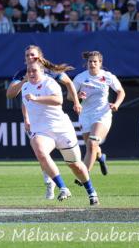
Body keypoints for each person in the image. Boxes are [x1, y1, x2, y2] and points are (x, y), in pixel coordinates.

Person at [6, 45, 82, 200]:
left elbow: (68, 83)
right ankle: (50, 182)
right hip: (36, 120)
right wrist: (26, 117)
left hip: (54, 118)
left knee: (68, 157)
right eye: (27, 55)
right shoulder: (23, 74)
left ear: (39, 56)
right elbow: (13, 95)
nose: (30, 58)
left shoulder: (49, 71)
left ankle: (61, 180)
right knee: (41, 153)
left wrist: (76, 101)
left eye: (33, 55)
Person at [22, 59, 99, 206]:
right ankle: (63, 187)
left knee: (75, 165)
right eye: (29, 71)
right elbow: (25, 103)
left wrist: (36, 98)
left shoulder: (49, 83)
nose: (31, 73)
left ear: (42, 71)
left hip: (61, 129)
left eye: (34, 70)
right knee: (40, 151)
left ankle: (91, 191)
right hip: (41, 131)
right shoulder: (25, 87)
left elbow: (58, 100)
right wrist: (26, 118)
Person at [71, 51, 125, 178]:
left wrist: (116, 104)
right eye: (90, 61)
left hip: (102, 113)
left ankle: (84, 175)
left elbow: (121, 92)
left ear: (100, 63)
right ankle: (101, 157)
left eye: (95, 61)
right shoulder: (80, 78)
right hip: (85, 115)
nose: (92, 64)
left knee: (92, 143)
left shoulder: (108, 76)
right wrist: (77, 97)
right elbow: (69, 95)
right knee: (92, 148)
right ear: (87, 63)